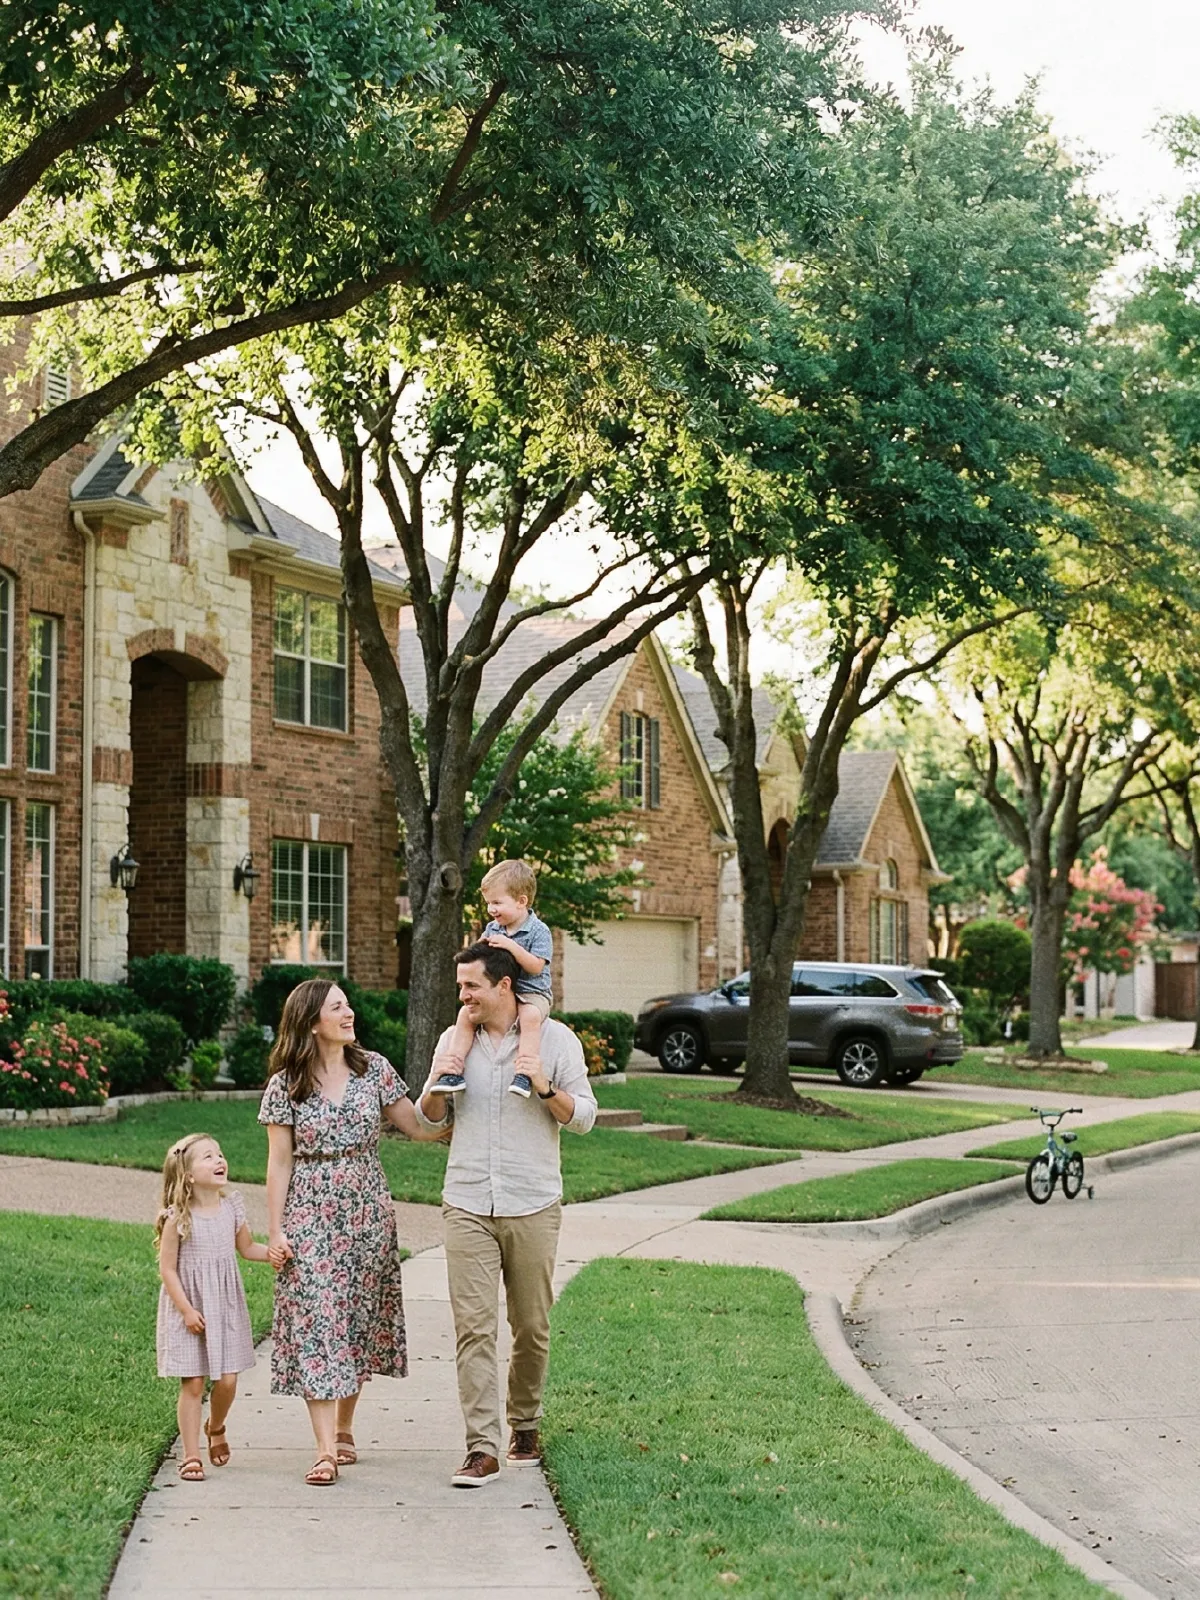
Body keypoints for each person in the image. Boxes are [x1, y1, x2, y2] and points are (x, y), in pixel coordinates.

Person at [414, 941, 596, 1488]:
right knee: (473, 1329)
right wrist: (439, 1089)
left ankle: (525, 1421)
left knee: (531, 1327)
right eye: (459, 986)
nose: (462, 996)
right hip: (467, 1200)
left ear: (503, 986)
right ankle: (481, 1448)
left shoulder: (555, 1040)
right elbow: (428, 1116)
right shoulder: (455, 1039)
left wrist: (542, 1086)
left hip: (532, 1200)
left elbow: (585, 1116)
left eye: (471, 986)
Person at [259, 978, 433, 1487]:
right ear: (313, 1021)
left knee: (356, 1320)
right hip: (309, 1210)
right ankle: (324, 1450)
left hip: (367, 1210)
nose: (349, 1012)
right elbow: (278, 1163)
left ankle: (345, 1426)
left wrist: (454, 1099)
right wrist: (275, 1230)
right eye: (338, 1007)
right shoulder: (285, 1084)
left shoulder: (372, 1068)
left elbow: (418, 1125)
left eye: (348, 1004)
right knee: (320, 1321)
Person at [155, 1133, 272, 1482]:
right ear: (188, 1174)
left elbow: (248, 1248)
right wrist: (187, 1310)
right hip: (189, 1307)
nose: (220, 1160)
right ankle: (191, 1455)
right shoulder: (177, 1217)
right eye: (208, 1157)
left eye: (220, 1154)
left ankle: (216, 1426)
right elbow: (167, 1269)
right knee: (193, 1383)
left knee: (229, 1381)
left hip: (224, 1307)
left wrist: (275, 1254)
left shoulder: (231, 1208)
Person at [436, 859, 553, 1100]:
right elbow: (480, 954)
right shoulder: (493, 928)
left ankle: (524, 1072)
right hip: (501, 994)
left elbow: (535, 966)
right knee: (464, 1015)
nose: (491, 909)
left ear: (521, 902)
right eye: (489, 903)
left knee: (530, 1016)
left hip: (532, 993)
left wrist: (511, 946)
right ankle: (453, 1070)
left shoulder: (539, 931)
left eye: (497, 903)